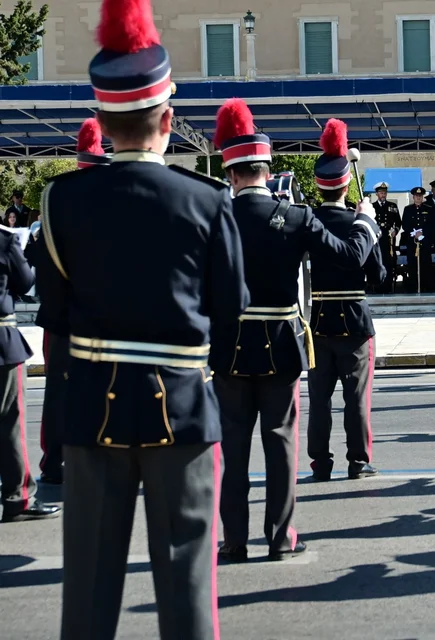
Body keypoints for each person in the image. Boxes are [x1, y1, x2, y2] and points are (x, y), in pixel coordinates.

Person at [36, 1, 250, 637]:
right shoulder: (208, 201)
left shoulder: (63, 200)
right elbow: (230, 313)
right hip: (180, 407)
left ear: (102, 119)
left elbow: (53, 308)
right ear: (167, 118)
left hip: (90, 408)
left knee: (89, 592)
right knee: (186, 584)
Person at [210, 104, 381, 561]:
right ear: (266, 169)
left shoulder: (213, 216)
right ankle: (281, 537)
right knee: (281, 442)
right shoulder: (296, 216)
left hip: (228, 348)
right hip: (281, 345)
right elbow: (350, 255)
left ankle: (234, 540)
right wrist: (365, 220)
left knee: (233, 448)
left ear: (232, 174)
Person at [27, 118, 111, 486]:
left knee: (58, 391)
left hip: (61, 318)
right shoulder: (115, 204)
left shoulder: (56, 200)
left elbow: (36, 258)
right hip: (102, 316)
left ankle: (55, 462)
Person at [307, 119, 385, 481]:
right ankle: (359, 460)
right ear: (346, 184)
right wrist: (367, 224)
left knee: (319, 401)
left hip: (318, 320)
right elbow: (378, 277)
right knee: (356, 399)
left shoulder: (306, 222)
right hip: (353, 320)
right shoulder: (360, 224)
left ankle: (320, 462)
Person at [0, 205, 59, 523]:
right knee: (10, 423)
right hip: (1, 341)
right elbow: (24, 283)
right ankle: (17, 497)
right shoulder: (4, 240)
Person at [371, 182, 401, 294]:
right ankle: (377, 287)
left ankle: (388, 286)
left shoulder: (392, 206)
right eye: (381, 193)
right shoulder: (372, 207)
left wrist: (395, 231)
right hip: (376, 240)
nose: (383, 195)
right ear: (377, 194)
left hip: (388, 240)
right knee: (377, 262)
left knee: (389, 263)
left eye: (384, 192)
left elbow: (398, 222)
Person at [401, 186, 432, 294]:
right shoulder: (408, 209)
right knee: (412, 265)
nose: (418, 198)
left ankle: (425, 287)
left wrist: (423, 233)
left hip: (425, 242)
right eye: (416, 196)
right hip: (412, 242)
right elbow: (404, 224)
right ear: (413, 197)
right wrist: (414, 233)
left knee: (425, 265)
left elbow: (431, 225)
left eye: (420, 196)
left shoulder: (428, 209)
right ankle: (413, 287)